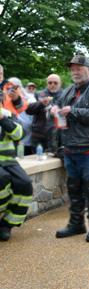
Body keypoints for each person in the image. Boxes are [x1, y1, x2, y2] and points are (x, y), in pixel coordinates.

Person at [51, 52, 89, 242]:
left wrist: (74, 111)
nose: (75, 72)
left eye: (79, 68)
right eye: (73, 69)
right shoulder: (69, 91)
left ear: (88, 69)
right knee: (74, 187)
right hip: (71, 148)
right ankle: (76, 223)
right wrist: (53, 109)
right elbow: (59, 107)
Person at [0, 91, 33, 241]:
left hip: (8, 160)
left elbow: (19, 134)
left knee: (25, 183)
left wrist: (3, 120)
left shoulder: (7, 114)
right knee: (2, 179)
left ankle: (7, 224)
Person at [26, 74, 63, 153]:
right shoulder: (38, 94)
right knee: (37, 162)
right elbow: (28, 110)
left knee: (56, 163)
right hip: (39, 136)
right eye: (50, 83)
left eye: (55, 83)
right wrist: (41, 103)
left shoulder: (65, 95)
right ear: (47, 83)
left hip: (58, 137)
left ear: (60, 83)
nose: (52, 85)